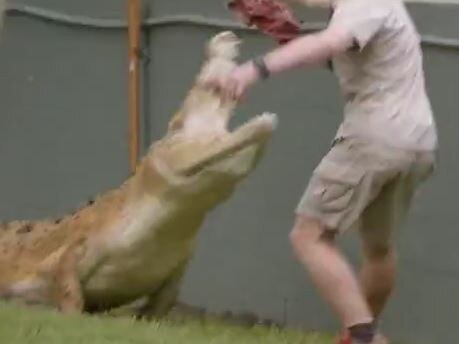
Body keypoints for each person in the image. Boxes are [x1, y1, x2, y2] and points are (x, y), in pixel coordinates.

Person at [201, 0, 438, 343]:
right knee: (379, 249)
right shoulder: (378, 9)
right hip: (417, 144)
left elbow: (329, 43)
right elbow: (344, 58)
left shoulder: (361, 4)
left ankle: (365, 338)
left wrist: (252, 70)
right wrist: (289, 35)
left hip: (374, 138)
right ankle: (355, 333)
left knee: (308, 235)